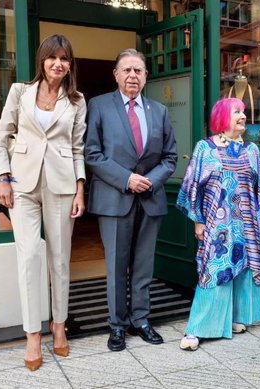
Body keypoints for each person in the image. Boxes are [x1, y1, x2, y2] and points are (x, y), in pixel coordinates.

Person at [0, 34, 86, 371]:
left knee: (59, 259)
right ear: (42, 60)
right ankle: (33, 334)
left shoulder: (76, 100)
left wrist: (80, 189)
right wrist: (3, 177)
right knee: (30, 255)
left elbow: (77, 148)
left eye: (64, 59)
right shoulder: (20, 93)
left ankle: (58, 327)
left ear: (69, 64)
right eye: (52, 58)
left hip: (61, 184)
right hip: (22, 184)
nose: (58, 64)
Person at [85, 48, 177, 352]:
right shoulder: (98, 106)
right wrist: (126, 179)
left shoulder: (159, 111)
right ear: (116, 74)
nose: (132, 75)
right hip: (114, 198)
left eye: (138, 70)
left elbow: (170, 157)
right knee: (116, 266)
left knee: (143, 267)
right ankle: (117, 326)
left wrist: (150, 180)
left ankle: (141, 320)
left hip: (150, 198)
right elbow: (92, 153)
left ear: (146, 75)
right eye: (126, 70)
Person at [176, 98, 260, 351]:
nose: (242, 115)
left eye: (243, 112)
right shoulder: (205, 148)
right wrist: (198, 220)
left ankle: (237, 317)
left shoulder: (252, 150)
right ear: (221, 117)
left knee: (245, 267)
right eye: (236, 111)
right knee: (214, 271)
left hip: (248, 221)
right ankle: (198, 328)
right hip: (218, 223)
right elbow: (192, 185)